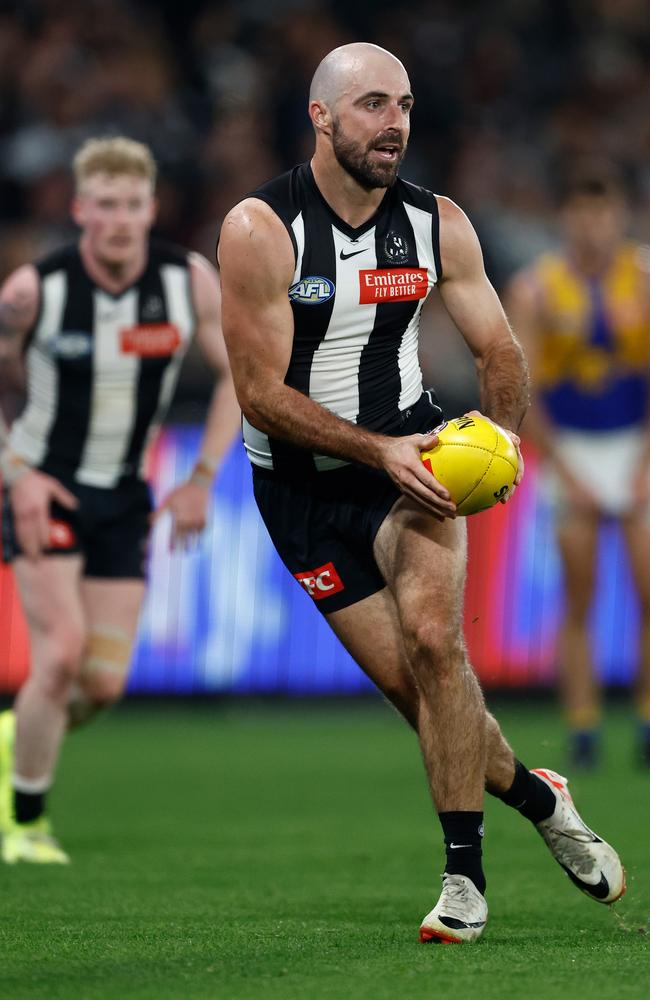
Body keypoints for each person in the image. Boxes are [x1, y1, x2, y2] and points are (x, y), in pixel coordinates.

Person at [218, 43, 625, 944]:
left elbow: (502, 351)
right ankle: (538, 794)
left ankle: (463, 882)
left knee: (440, 645)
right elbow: (260, 395)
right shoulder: (259, 229)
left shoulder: (438, 224)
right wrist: (377, 451)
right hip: (302, 491)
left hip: (420, 466)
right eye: (371, 105)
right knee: (424, 697)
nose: (394, 122)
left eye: (402, 104)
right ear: (321, 117)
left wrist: (500, 437)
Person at [0, 136, 241, 864]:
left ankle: (19, 731)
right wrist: (18, 475)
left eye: (132, 205)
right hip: (45, 490)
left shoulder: (189, 281)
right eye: (104, 205)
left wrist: (200, 479)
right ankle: (24, 822)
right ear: (79, 209)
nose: (119, 220)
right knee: (62, 653)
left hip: (125, 498)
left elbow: (238, 378)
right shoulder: (30, 292)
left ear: (151, 207)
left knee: (101, 685)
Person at [506, 165, 650, 768]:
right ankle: (584, 726)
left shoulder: (642, 279)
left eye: (603, 211)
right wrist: (564, 468)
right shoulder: (535, 290)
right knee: (579, 593)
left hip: (636, 442)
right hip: (572, 448)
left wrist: (644, 461)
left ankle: (645, 723)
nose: (593, 226)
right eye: (582, 213)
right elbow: (523, 389)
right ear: (565, 219)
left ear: (619, 214)